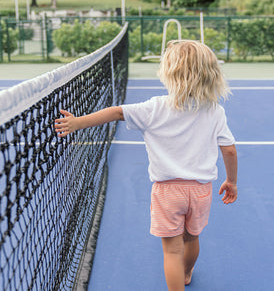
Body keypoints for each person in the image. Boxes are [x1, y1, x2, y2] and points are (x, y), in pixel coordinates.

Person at [55, 40, 238, 291]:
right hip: (200, 190)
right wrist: (232, 181)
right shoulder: (214, 110)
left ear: (169, 73)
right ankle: (186, 274)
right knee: (192, 237)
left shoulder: (154, 107)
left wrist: (78, 123)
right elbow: (229, 149)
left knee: (172, 251)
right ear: (210, 74)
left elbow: (117, 112)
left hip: (167, 192)